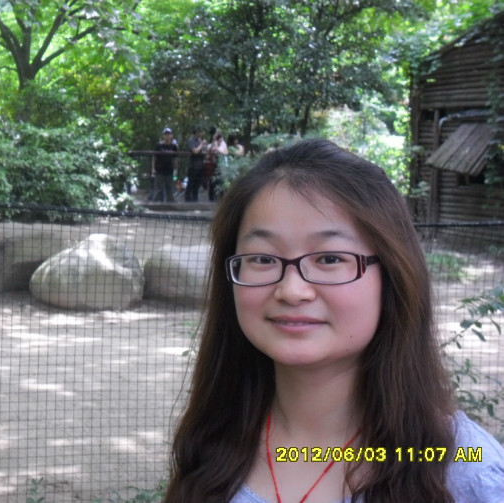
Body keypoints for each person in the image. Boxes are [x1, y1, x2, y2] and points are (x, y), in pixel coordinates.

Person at [164, 139, 504, 503]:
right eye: (262, 259)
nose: (292, 291)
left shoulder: (464, 469)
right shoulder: (213, 439)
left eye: (329, 259)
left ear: (392, 276)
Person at [151, 127, 178, 202]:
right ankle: (156, 204)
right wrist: (153, 169)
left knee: (169, 188)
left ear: (171, 135)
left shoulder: (174, 146)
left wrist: (176, 169)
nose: (167, 136)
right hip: (159, 170)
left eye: (169, 134)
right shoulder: (158, 145)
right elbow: (154, 158)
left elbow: (175, 159)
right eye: (166, 134)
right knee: (158, 189)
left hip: (170, 170)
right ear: (163, 135)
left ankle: (170, 204)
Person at [185, 127, 207, 202]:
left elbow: (205, 153)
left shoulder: (201, 141)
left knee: (197, 184)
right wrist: (202, 144)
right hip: (193, 166)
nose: (202, 134)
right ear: (196, 132)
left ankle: (195, 199)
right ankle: (188, 198)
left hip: (200, 165)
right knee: (191, 183)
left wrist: (204, 146)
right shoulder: (191, 141)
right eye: (200, 132)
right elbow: (195, 151)